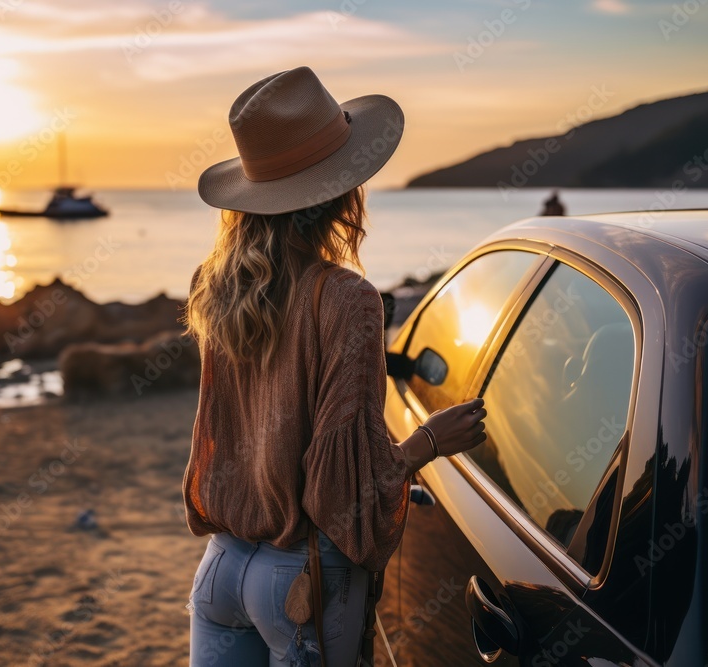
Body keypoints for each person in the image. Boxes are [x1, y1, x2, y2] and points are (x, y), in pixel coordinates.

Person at [180, 66, 488, 667]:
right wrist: (429, 440)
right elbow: (341, 489)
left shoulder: (216, 287)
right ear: (344, 190)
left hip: (222, 565)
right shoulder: (348, 298)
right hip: (301, 581)